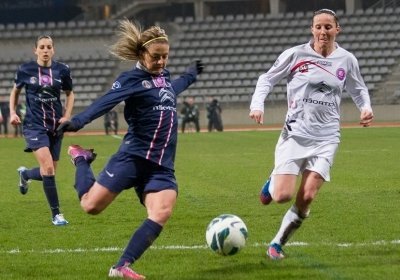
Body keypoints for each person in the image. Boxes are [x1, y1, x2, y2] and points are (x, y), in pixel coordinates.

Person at [57, 19, 203, 279]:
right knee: (91, 206)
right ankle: (81, 159)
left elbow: (172, 88)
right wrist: (77, 122)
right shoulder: (130, 79)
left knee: (162, 211)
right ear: (141, 54)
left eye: (165, 57)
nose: (161, 62)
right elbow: (105, 102)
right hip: (133, 156)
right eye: (156, 57)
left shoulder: (164, 77)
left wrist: (190, 75)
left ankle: (121, 266)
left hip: (161, 164)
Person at [249, 9, 374, 260]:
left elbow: (358, 88)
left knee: (306, 196)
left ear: (337, 29)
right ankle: (273, 180)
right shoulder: (296, 54)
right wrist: (257, 104)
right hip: (295, 133)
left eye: (328, 27)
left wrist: (366, 108)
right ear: (312, 29)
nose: (323, 32)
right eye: (318, 26)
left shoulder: (347, 59)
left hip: (327, 137)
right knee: (282, 196)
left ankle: (277, 243)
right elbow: (266, 79)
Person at [9, 35, 75, 226]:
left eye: (49, 47)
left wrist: (67, 115)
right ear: (35, 50)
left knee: (51, 170)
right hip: (34, 125)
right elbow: (15, 91)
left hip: (56, 125)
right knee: (47, 168)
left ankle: (26, 175)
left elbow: (70, 94)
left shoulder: (62, 70)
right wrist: (13, 112)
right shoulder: (25, 69)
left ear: (53, 50)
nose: (45, 50)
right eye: (42, 47)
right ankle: (56, 215)